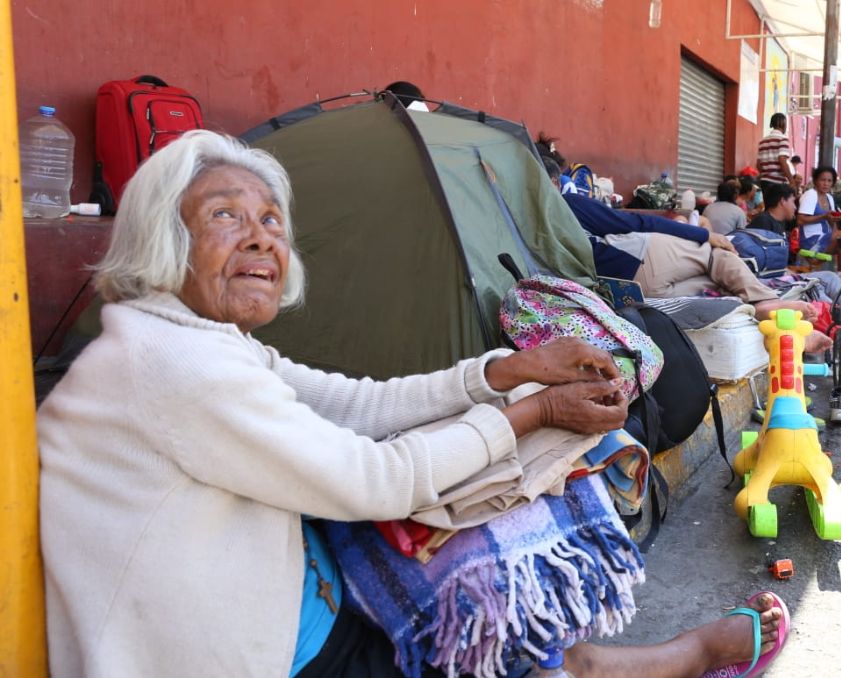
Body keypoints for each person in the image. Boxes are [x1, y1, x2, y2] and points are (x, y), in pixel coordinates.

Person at [36, 130, 789, 678]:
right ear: (163, 239)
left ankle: (637, 658)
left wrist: (508, 371)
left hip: (298, 606)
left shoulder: (193, 341)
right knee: (497, 620)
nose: (262, 240)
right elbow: (377, 479)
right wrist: (532, 413)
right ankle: (680, 656)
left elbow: (353, 404)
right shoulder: (173, 363)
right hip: (268, 656)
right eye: (226, 216)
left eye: (271, 220)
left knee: (506, 629)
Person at [553, 161, 831, 353]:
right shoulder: (564, 204)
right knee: (716, 254)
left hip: (631, 291)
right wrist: (703, 235)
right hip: (638, 260)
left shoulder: (531, 237)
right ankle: (766, 301)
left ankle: (786, 329)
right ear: (554, 182)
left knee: (718, 291)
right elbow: (636, 222)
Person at [756, 112, 794, 185]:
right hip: (777, 183)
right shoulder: (783, 139)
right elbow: (782, 160)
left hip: (764, 182)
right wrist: (792, 181)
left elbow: (758, 164)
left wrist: (766, 175)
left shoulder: (762, 141)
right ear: (783, 124)